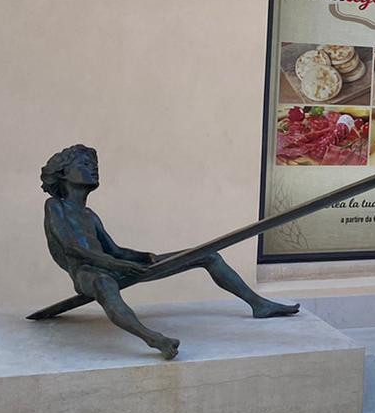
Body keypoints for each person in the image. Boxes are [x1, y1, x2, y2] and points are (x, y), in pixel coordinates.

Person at [31, 144, 299, 358]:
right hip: (87, 274)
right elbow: (72, 248)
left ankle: (259, 305)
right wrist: (119, 266)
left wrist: (141, 257)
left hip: (115, 266)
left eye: (95, 165)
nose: (94, 170)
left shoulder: (90, 214)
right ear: (64, 174)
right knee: (104, 283)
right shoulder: (55, 207)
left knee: (207, 255)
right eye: (86, 165)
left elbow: (114, 249)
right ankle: (155, 339)